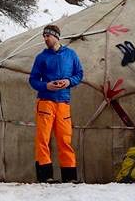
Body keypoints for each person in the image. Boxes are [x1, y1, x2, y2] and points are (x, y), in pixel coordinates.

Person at [28, 24, 84, 183]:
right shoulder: (41, 57)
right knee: (42, 139)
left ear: (56, 37)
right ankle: (45, 177)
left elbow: (79, 74)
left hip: (63, 103)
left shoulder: (71, 55)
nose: (45, 39)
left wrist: (68, 81)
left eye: (48, 36)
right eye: (44, 36)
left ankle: (70, 177)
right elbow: (32, 80)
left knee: (65, 139)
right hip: (45, 102)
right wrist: (46, 86)